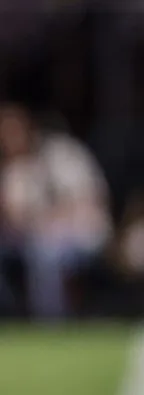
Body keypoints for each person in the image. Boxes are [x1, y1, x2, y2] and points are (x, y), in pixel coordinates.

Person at [0, 103, 112, 320]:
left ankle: (51, 321)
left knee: (45, 253)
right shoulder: (13, 169)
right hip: (30, 240)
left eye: (12, 132)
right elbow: (13, 217)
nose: (8, 141)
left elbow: (89, 199)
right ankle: (9, 316)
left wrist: (47, 218)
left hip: (82, 233)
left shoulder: (62, 153)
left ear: (28, 128)